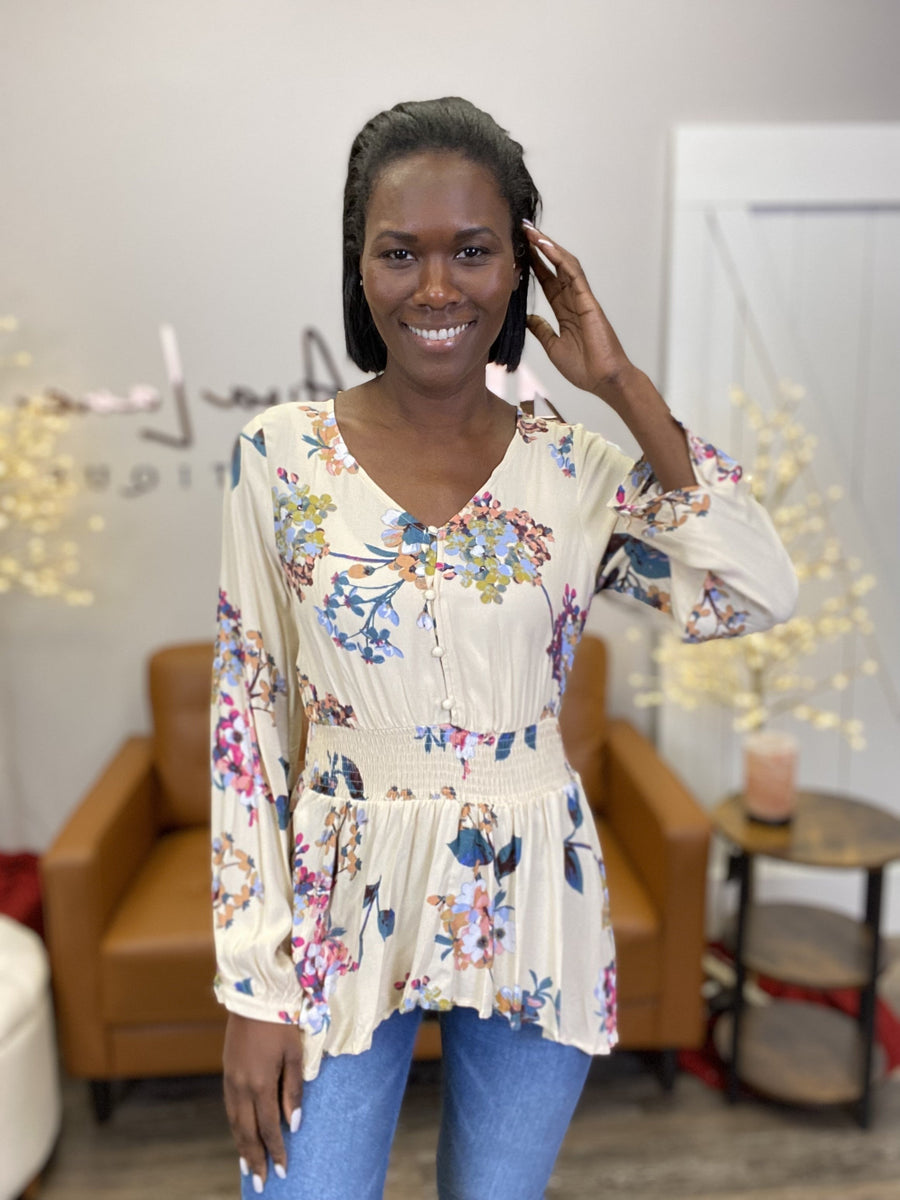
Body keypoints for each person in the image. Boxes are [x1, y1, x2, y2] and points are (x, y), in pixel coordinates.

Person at [211, 97, 797, 1200]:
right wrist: (253, 982)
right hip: (340, 887)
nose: (436, 287)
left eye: (473, 251)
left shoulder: (573, 470)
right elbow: (245, 716)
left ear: (522, 268)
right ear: (360, 267)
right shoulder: (280, 458)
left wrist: (619, 382)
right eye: (401, 253)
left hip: (535, 886)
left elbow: (754, 589)